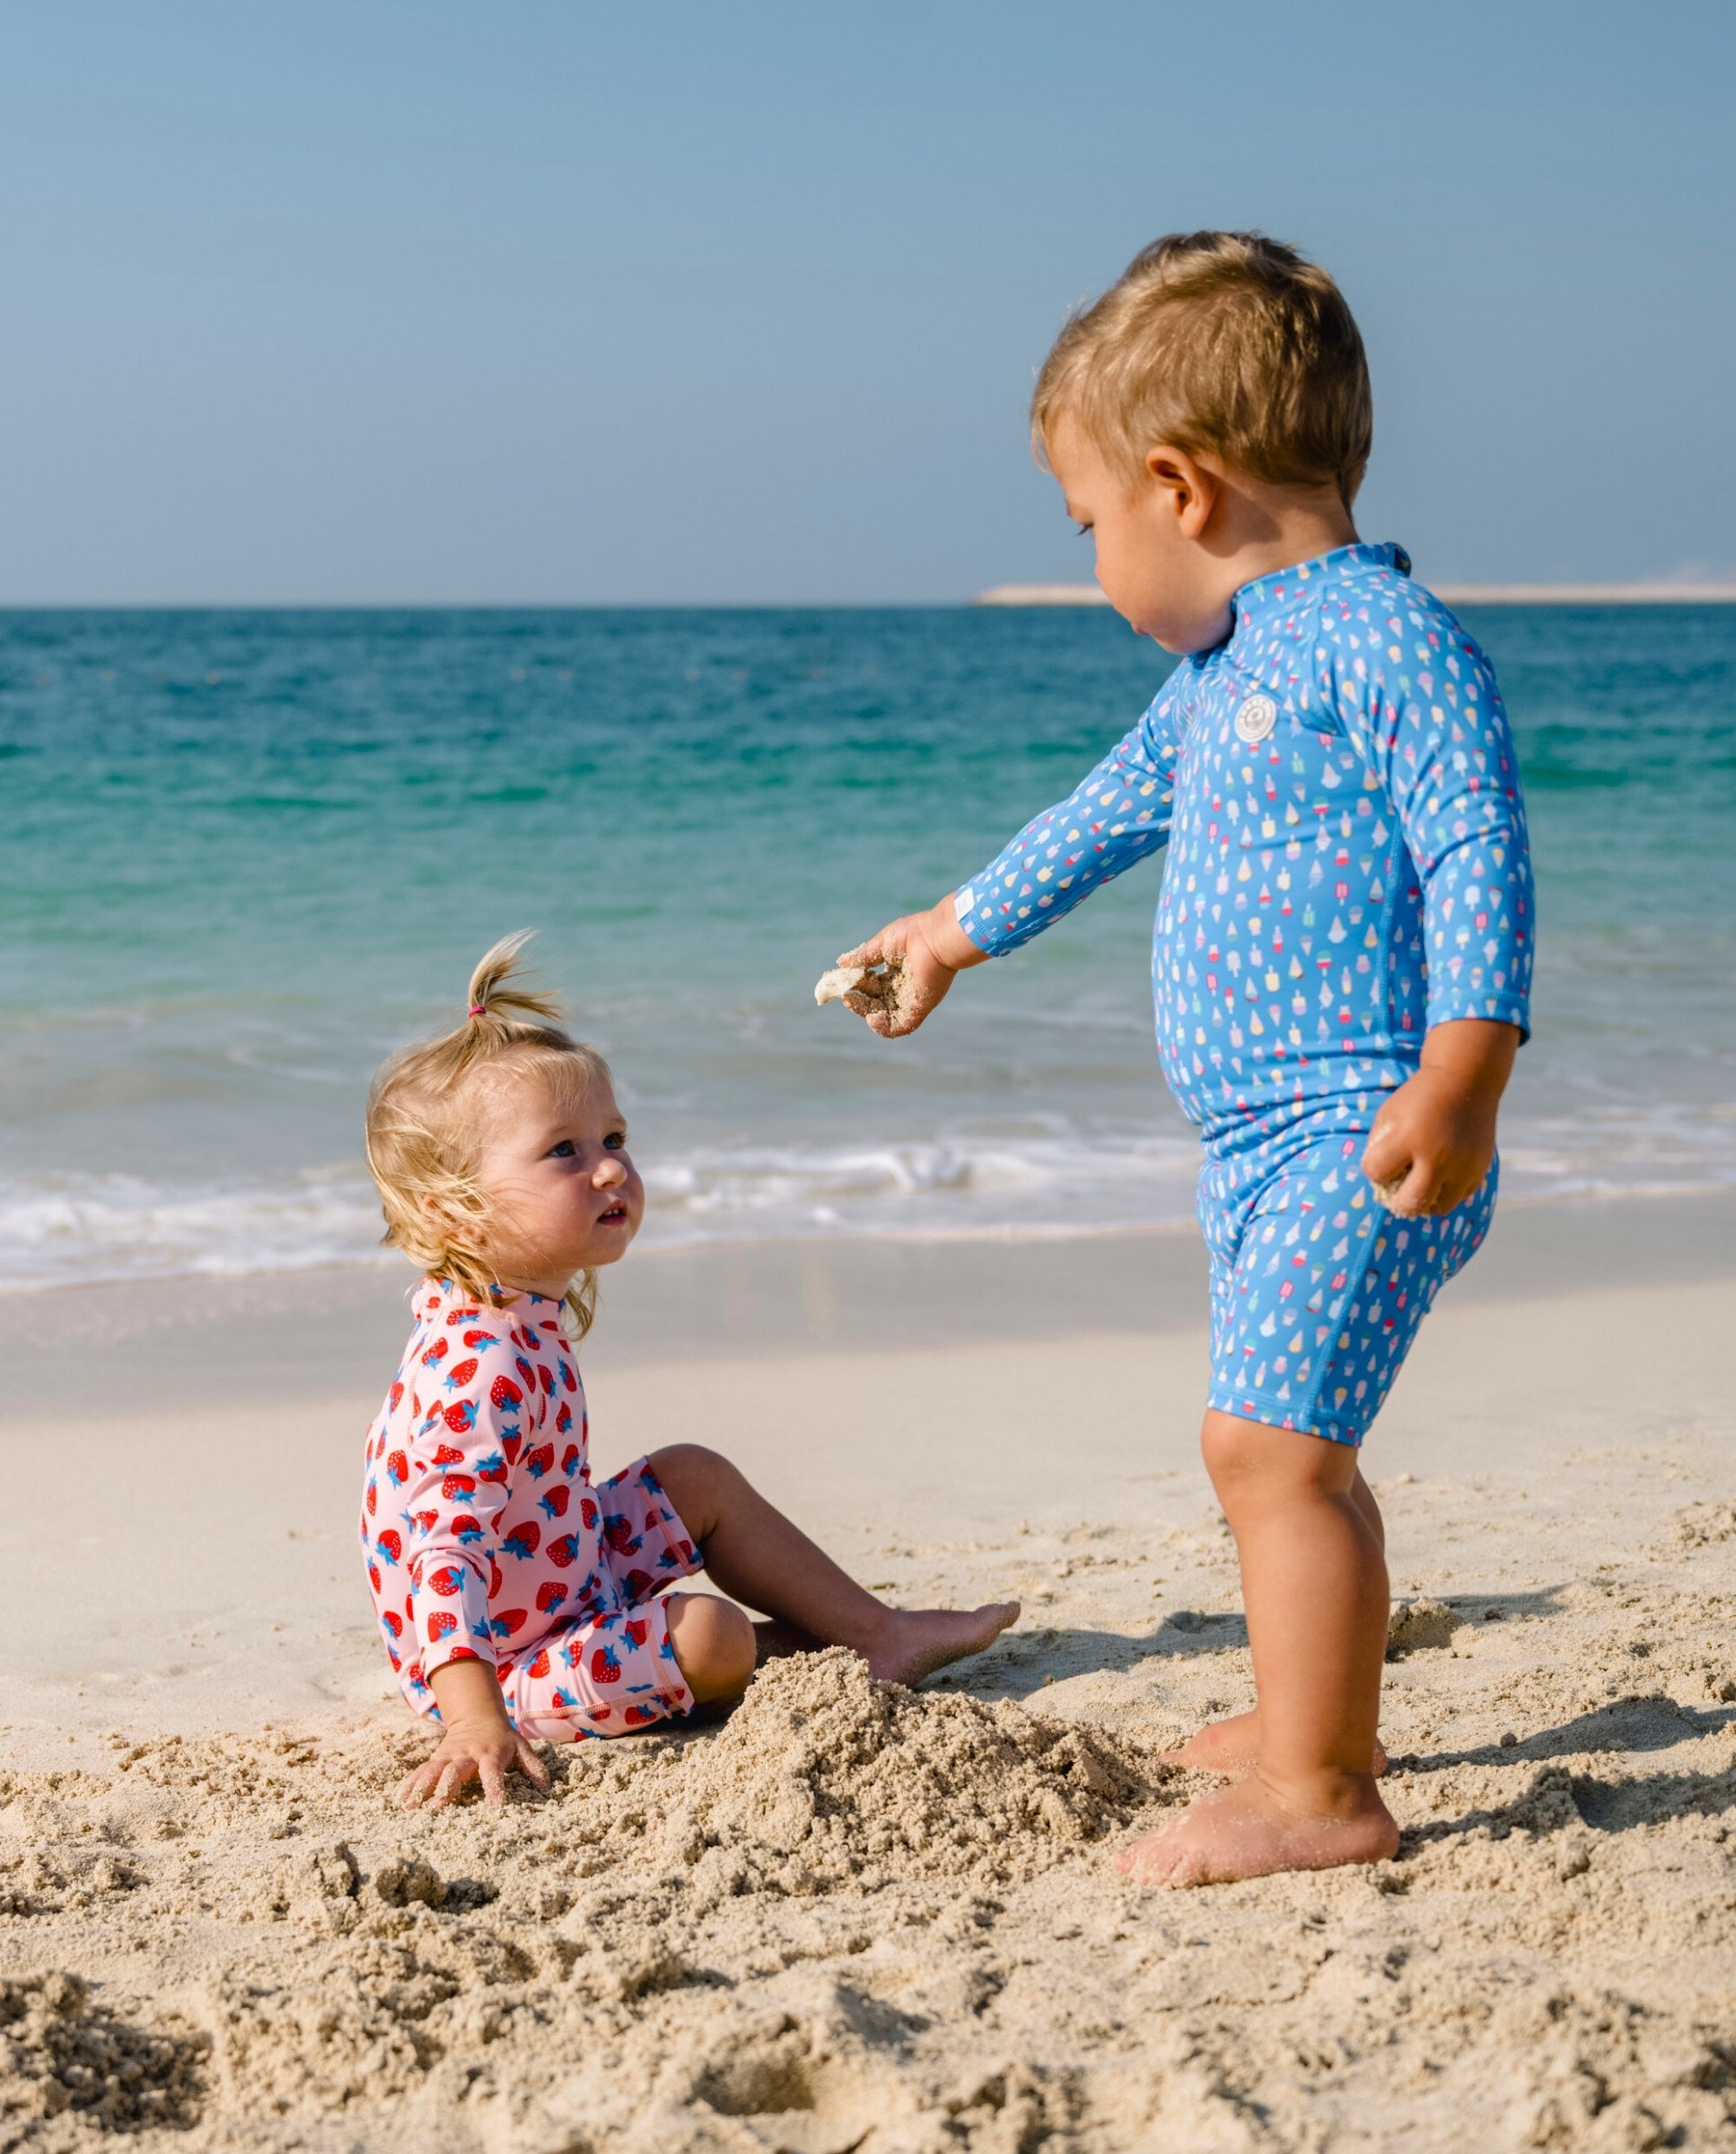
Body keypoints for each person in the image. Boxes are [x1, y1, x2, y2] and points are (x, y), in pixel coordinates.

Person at [831, 232, 1533, 1885]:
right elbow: (1101, 817)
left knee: (1265, 1452)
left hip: (1364, 1127)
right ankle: (1311, 1724)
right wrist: (948, 928)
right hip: (1256, 1144)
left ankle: (1317, 1793)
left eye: (1086, 529)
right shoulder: (1226, 672)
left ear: (1177, 487)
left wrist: (1462, 1071)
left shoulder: (1382, 639)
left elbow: (1474, 848)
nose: (1090, 568)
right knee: (1291, 1447)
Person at [361, 933, 1017, 1807]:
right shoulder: (479, 1365)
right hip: (500, 1661)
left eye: (613, 1136)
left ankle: (875, 1633)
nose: (610, 1168)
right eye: (563, 1151)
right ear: (456, 1207)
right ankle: (799, 1656)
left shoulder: (517, 1312)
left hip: (562, 1569)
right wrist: (474, 1716)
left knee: (691, 1477)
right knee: (709, 1638)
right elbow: (439, 1554)